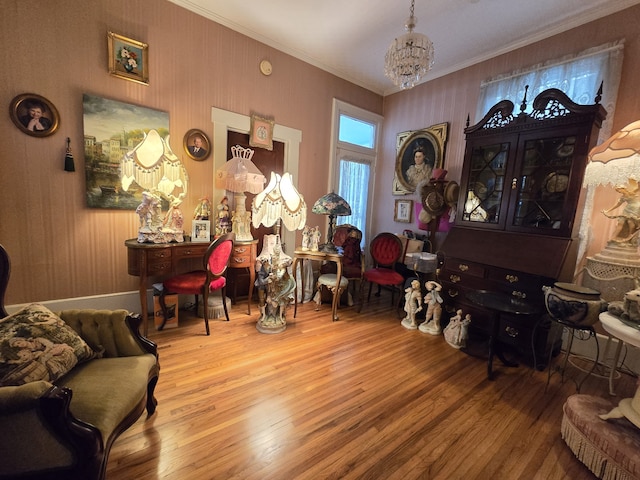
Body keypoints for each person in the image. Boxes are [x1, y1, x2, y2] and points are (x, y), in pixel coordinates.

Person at [602, 179, 640, 245]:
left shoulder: (632, 192)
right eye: (618, 191)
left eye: (619, 190)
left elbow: (638, 188)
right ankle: (613, 237)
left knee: (630, 221)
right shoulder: (622, 197)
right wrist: (608, 210)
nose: (619, 192)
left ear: (623, 188)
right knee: (620, 222)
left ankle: (630, 235)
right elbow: (617, 205)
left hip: (635, 208)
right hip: (627, 209)